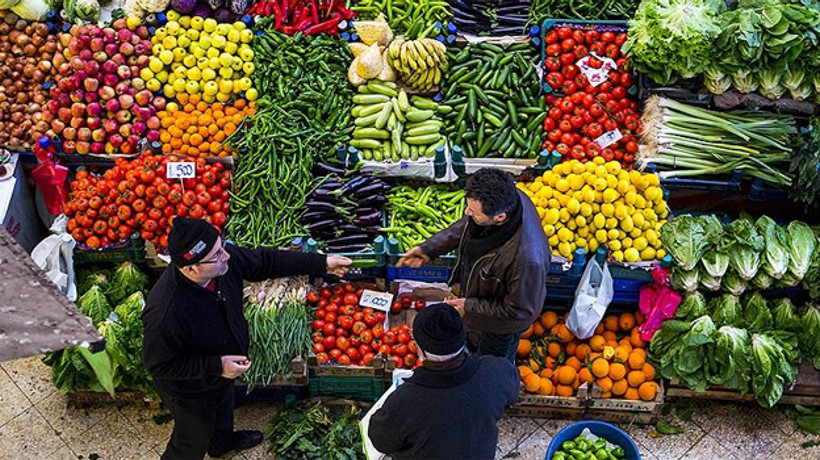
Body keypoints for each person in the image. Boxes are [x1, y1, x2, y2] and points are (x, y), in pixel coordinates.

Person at [142, 217, 351, 460]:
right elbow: (159, 365)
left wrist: (322, 262)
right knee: (192, 438)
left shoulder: (220, 264)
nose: (227, 256)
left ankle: (222, 444)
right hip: (190, 388)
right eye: (217, 255)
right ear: (191, 269)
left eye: (222, 247)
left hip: (223, 370)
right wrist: (217, 366)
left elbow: (264, 261)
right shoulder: (165, 313)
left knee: (224, 409)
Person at [397, 168, 549, 362]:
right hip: (481, 299)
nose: (467, 212)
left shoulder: (527, 260)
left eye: (474, 212)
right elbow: (468, 224)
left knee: (491, 363)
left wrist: (469, 307)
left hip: (499, 327)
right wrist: (429, 248)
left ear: (500, 217)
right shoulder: (508, 198)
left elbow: (519, 313)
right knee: (474, 342)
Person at [368, 303, 519, 460]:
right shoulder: (497, 370)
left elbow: (381, 441)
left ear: (420, 350)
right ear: (463, 339)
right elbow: (513, 393)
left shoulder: (404, 401)